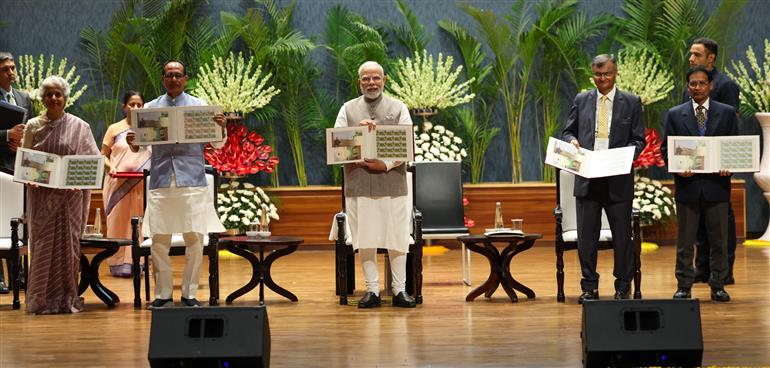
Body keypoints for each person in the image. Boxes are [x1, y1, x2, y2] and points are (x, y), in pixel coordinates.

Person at [128, 60, 226, 308]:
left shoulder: (200, 107)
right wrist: (133, 141)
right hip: (161, 179)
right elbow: (139, 147)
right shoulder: (150, 108)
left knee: (194, 238)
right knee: (160, 239)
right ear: (163, 78)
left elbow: (217, 145)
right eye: (169, 75)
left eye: (178, 75)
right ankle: (163, 295)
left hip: (192, 179)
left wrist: (220, 129)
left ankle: (189, 294)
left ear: (186, 78)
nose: (174, 79)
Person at [561, 54, 646, 303]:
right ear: (593, 74)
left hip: (618, 178)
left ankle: (622, 286)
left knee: (622, 237)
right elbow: (568, 131)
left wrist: (623, 157)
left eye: (607, 74)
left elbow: (638, 140)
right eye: (598, 75)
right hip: (587, 178)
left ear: (615, 73)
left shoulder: (631, 102)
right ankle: (589, 287)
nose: (602, 79)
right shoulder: (581, 99)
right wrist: (572, 141)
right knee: (587, 237)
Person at [334, 61, 416, 308]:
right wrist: (356, 134)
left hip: (393, 183)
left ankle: (400, 291)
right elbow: (337, 146)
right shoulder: (347, 109)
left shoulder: (398, 107)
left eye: (376, 78)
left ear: (384, 80)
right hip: (359, 183)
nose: (371, 83)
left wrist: (386, 164)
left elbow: (407, 143)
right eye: (366, 79)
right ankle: (372, 291)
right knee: (365, 238)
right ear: (359, 82)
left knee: (397, 237)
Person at [21, 76, 100, 314]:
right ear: (43, 98)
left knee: (69, 246)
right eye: (49, 94)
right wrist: (29, 179)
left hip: (70, 198)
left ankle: (67, 297)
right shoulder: (33, 126)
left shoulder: (80, 126)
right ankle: (40, 299)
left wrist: (81, 181)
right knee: (42, 244)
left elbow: (92, 160)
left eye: (58, 94)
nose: (54, 98)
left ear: (65, 98)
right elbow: (25, 160)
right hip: (42, 197)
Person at [662, 66, 737, 302]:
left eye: (702, 83)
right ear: (688, 86)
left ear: (711, 85)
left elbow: (734, 146)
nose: (697, 87)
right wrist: (676, 167)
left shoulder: (726, 113)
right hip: (688, 186)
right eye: (692, 84)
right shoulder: (675, 114)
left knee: (719, 241)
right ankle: (684, 285)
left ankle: (718, 284)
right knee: (685, 242)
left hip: (717, 186)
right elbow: (666, 149)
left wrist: (730, 165)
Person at [684, 37, 740, 285]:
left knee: (720, 223)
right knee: (700, 224)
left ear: (711, 58)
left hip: (718, 164)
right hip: (696, 162)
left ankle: (724, 271)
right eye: (691, 54)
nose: (691, 58)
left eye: (697, 54)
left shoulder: (726, 85)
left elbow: (729, 122)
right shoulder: (693, 80)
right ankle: (703, 268)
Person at [101, 91, 151, 277]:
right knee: (118, 223)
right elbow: (102, 155)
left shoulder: (149, 128)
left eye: (139, 104)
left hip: (141, 185)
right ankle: (119, 264)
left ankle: (139, 263)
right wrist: (110, 168)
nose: (136, 108)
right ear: (125, 107)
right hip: (118, 184)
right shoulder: (114, 129)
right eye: (132, 104)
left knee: (140, 224)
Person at [0, 51, 34, 294]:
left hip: (19, 169)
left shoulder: (23, 98)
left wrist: (23, 142)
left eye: (13, 68)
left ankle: (19, 276)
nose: (12, 73)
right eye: (6, 69)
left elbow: (32, 131)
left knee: (19, 223)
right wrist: (5, 136)